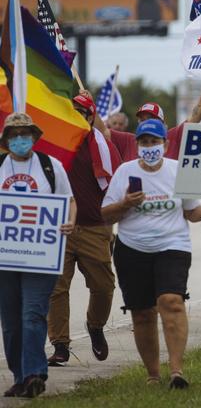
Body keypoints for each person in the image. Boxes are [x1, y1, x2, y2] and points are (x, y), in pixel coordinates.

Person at [101, 119, 201, 388]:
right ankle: (153, 375)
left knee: (171, 301)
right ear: (137, 146)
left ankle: (177, 372)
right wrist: (125, 203)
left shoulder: (178, 171)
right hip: (132, 248)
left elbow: (192, 213)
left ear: (166, 145)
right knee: (143, 313)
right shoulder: (125, 172)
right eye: (144, 142)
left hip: (173, 246)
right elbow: (104, 215)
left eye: (155, 142)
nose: (149, 147)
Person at [0, 112, 76, 398]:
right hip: (5, 258)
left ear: (33, 136)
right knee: (10, 322)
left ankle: (35, 373)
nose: (20, 139)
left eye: (24, 133)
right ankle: (20, 377)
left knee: (32, 314)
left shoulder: (49, 166)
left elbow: (69, 201)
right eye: (14, 134)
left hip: (40, 255)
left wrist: (69, 221)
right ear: (7, 140)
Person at [47, 94, 121, 367]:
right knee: (55, 288)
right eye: (73, 110)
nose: (77, 115)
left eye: (82, 112)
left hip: (94, 227)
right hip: (59, 227)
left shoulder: (103, 146)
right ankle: (60, 345)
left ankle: (95, 326)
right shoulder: (53, 143)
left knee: (103, 286)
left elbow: (114, 187)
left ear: (91, 117)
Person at [105, 76, 201, 161]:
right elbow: (101, 131)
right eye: (142, 120)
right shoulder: (128, 140)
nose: (146, 123)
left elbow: (196, 115)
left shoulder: (175, 136)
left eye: (150, 118)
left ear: (162, 123)